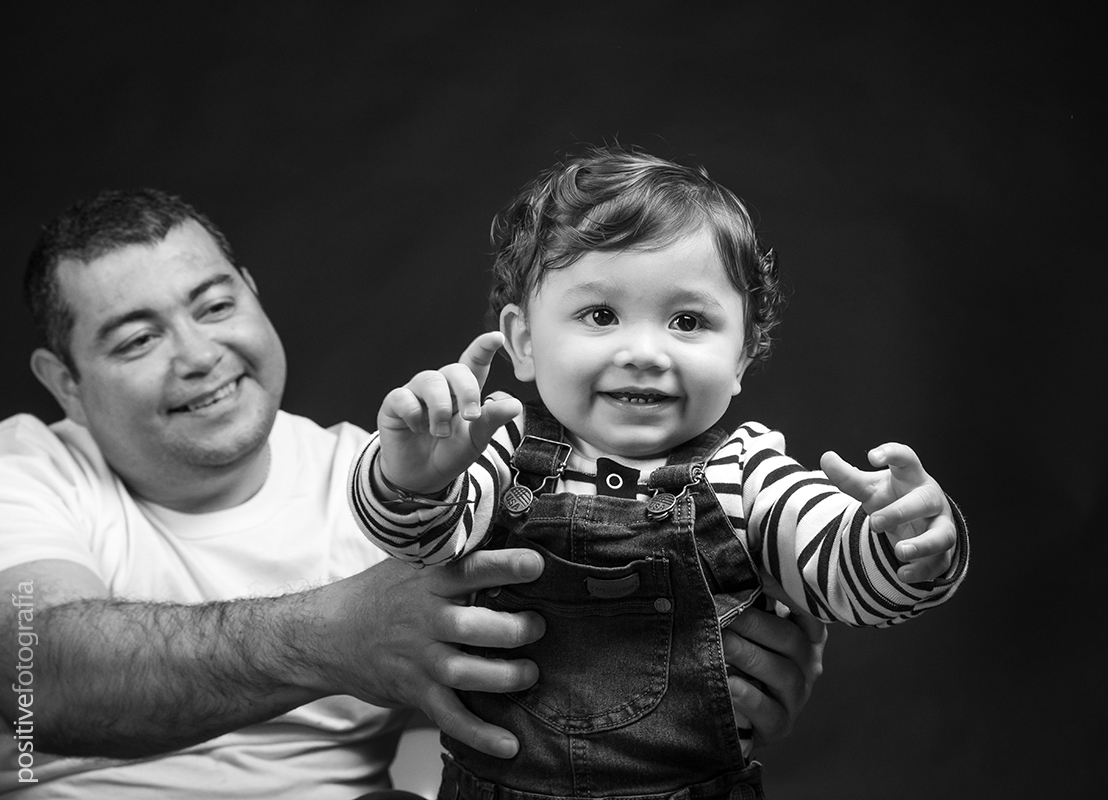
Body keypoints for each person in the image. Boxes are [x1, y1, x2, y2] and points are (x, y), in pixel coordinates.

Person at [0, 188, 825, 799]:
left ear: (253, 293)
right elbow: (38, 682)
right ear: (64, 383)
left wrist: (708, 676)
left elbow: (551, 692)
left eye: (215, 306)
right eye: (138, 338)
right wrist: (337, 634)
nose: (197, 355)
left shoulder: (407, 485)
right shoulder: (28, 468)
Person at [349, 147, 970, 798]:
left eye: (688, 321)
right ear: (525, 342)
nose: (645, 352)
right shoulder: (500, 447)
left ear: (743, 355)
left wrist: (904, 544)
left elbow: (838, 576)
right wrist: (412, 478)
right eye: (601, 315)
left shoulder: (746, 471)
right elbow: (422, 539)